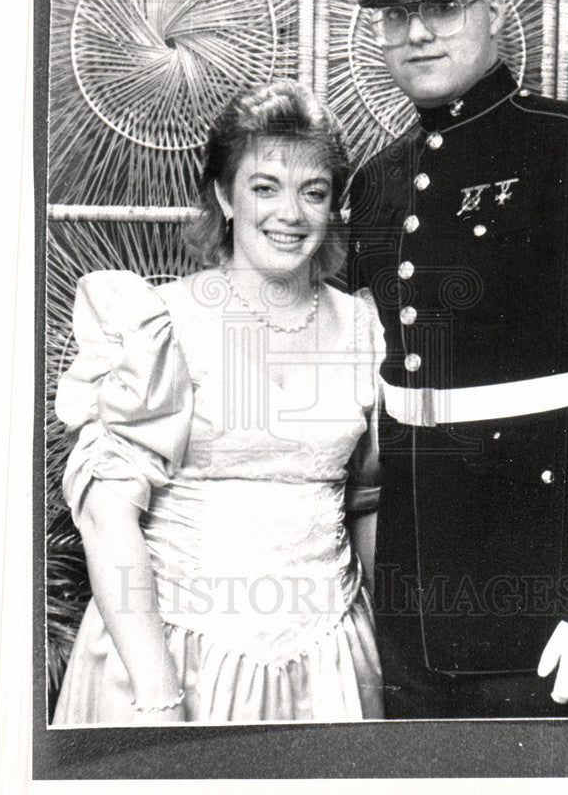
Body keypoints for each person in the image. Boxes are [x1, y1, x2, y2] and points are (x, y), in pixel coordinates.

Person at [326, 0, 568, 718]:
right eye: (396, 16)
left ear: (496, 6)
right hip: (410, 587)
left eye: (443, 5)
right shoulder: (377, 181)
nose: (418, 33)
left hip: (542, 586)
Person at [51, 80, 384, 725]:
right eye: (265, 187)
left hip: (330, 662)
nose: (290, 213)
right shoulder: (162, 322)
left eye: (313, 192)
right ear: (223, 196)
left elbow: (368, 501)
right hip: (174, 650)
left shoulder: (365, 326)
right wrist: (157, 692)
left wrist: (389, 659)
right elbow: (106, 515)